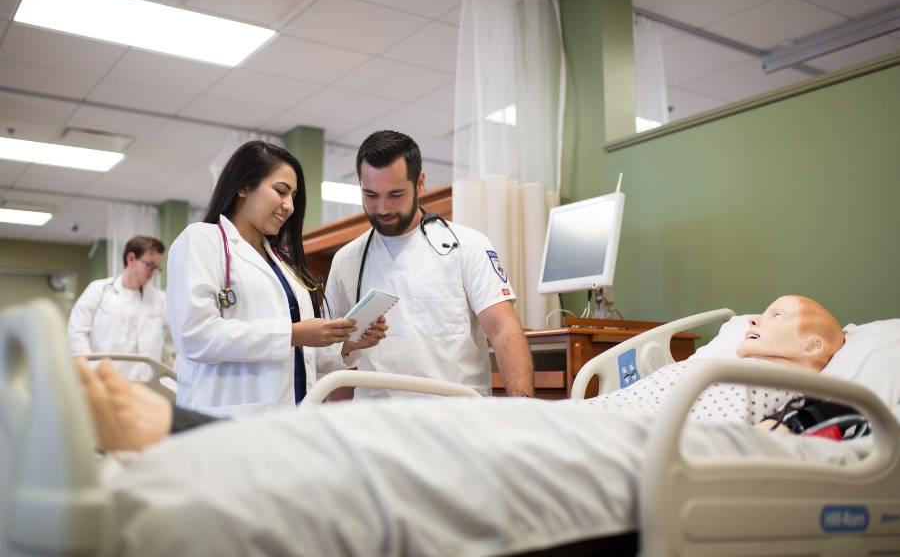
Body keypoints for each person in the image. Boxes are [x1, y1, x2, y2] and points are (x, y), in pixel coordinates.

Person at [75, 295, 851, 454]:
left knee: (392, 446)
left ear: (817, 350)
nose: (755, 316)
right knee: (391, 430)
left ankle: (175, 433)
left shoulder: (801, 387)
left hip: (619, 445)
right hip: (589, 427)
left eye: (778, 313)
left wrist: (738, 341)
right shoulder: (737, 352)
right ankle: (184, 432)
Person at [165, 140, 387, 417]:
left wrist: (346, 344)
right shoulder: (202, 240)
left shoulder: (283, 263)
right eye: (281, 191)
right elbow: (195, 336)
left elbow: (301, 357)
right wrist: (293, 333)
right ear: (244, 186)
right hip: (226, 419)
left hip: (291, 416)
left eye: (293, 196)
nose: (290, 206)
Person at [321, 130, 534, 398]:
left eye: (396, 194)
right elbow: (333, 358)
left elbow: (503, 330)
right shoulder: (346, 261)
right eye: (371, 195)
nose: (383, 208)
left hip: (452, 421)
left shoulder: (467, 246)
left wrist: (524, 409)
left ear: (419, 183)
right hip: (376, 425)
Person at [588, 295, 845, 424]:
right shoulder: (723, 369)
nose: (753, 319)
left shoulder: (788, 393)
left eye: (776, 316)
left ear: (813, 346)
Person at [67, 235, 168, 378]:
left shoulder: (161, 299)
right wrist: (92, 369)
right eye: (149, 265)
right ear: (131, 259)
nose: (153, 273)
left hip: (147, 384)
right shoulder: (99, 290)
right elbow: (76, 333)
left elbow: (181, 335)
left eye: (156, 268)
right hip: (105, 380)